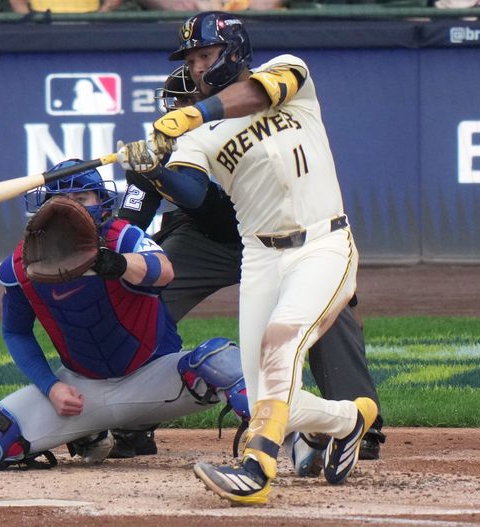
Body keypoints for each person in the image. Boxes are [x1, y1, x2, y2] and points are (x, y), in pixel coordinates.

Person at [117, 11, 378, 505]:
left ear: (232, 50)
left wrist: (194, 112)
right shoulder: (197, 138)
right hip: (260, 256)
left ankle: (257, 469)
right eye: (190, 60)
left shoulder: (289, 72)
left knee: (281, 345)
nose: (195, 68)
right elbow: (192, 193)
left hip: (322, 243)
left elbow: (256, 95)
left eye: (204, 56)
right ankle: (351, 418)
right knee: (267, 399)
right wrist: (153, 170)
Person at [0, 159, 249, 470]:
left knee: (221, 363)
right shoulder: (21, 264)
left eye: (81, 199)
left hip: (153, 377)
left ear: (101, 203)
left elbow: (164, 271)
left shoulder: (122, 236)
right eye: (62, 200)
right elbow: (15, 332)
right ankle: (92, 435)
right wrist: (50, 386)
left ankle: (281, 441)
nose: (71, 208)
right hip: (81, 390)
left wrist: (117, 263)